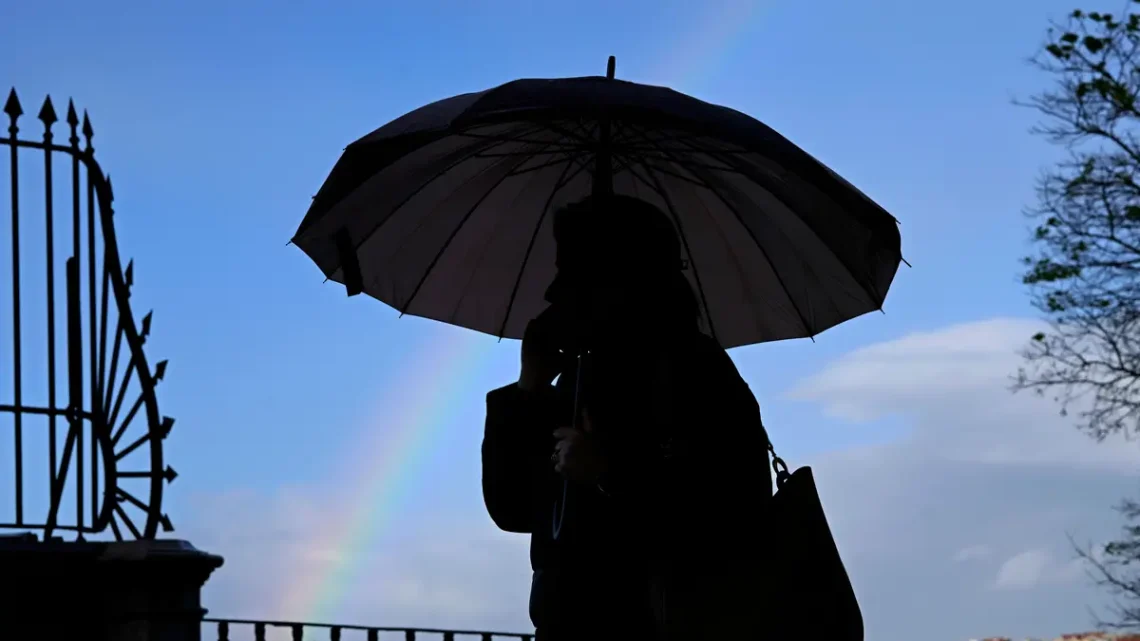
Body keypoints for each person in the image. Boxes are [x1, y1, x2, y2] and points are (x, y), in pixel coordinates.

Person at [481, 195, 773, 641]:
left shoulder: (699, 374)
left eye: (570, 272)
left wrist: (607, 473)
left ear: (620, 279)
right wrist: (529, 389)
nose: (553, 292)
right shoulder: (580, 379)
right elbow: (514, 507)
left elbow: (735, 514)